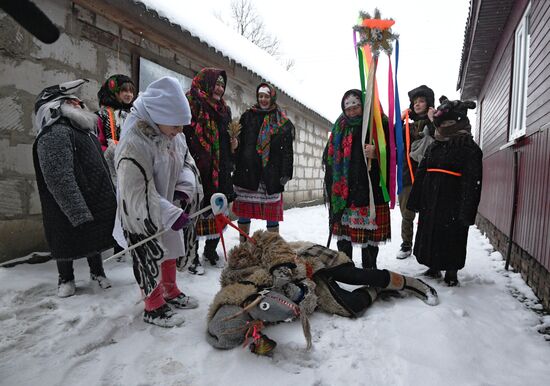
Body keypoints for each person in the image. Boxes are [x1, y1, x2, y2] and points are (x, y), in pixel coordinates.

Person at [206, 230, 438, 355]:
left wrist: (282, 269)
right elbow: (300, 305)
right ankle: (378, 289)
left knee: (353, 275)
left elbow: (270, 240)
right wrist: (301, 293)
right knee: (349, 307)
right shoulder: (250, 300)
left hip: (309, 258)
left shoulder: (242, 259)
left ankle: (409, 283)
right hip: (308, 281)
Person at [113, 76, 202, 327]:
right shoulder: (134, 141)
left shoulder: (173, 134)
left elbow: (186, 162)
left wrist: (184, 190)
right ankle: (152, 305)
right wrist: (170, 213)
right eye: (176, 125)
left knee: (171, 246)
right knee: (149, 251)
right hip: (140, 212)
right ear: (158, 116)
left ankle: (170, 290)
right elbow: (136, 191)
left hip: (169, 203)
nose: (180, 132)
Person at [32, 79, 116, 298]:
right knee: (64, 237)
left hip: (92, 195)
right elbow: (59, 177)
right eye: (74, 101)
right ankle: (65, 278)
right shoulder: (55, 133)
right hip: (67, 201)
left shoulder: (85, 133)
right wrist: (76, 208)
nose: (81, 104)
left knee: (93, 237)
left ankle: (97, 272)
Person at [407, 96, 482, 286]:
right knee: (429, 233)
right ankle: (432, 267)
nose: (446, 126)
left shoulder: (469, 148)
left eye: (450, 122)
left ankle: (451, 272)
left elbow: (473, 183)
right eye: (444, 122)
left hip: (454, 202)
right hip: (430, 200)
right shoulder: (434, 146)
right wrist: (415, 200)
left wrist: (467, 211)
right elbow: (422, 173)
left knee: (452, 236)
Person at [323, 89, 390, 270]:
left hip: (368, 187)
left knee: (368, 236)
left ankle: (369, 270)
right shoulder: (339, 126)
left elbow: (393, 152)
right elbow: (328, 158)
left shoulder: (376, 123)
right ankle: (346, 269)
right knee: (344, 236)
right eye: (348, 108)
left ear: (363, 105)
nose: (352, 112)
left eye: (356, 107)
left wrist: (378, 153)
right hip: (343, 190)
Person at [183, 68, 234, 274]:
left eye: (222, 85)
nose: (220, 89)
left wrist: (233, 144)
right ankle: (191, 254)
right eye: (216, 84)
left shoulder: (224, 109)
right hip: (197, 165)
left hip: (219, 166)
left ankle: (210, 250)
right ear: (206, 83)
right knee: (195, 208)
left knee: (218, 206)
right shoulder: (191, 103)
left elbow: (226, 136)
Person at [232, 82, 295, 241]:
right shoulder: (248, 116)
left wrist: (286, 172)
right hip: (248, 170)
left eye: (266, 96)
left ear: (272, 97)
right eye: (260, 96)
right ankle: (244, 244)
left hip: (271, 173)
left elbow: (287, 150)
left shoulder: (282, 121)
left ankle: (273, 247)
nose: (263, 99)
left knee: (271, 214)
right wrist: (235, 145)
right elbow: (240, 140)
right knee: (245, 212)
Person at [397, 85, 436, 259]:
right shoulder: (407, 125)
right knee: (407, 212)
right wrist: (399, 120)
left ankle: (425, 244)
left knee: (429, 212)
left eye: (421, 101)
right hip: (407, 174)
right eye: (415, 102)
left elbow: (442, 138)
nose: (417, 104)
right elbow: (392, 138)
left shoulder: (436, 122)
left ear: (428, 104)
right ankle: (406, 244)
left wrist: (434, 120)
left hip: (428, 175)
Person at [96, 74, 135, 151]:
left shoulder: (134, 115)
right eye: (124, 91)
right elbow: (97, 144)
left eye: (131, 91)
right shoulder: (102, 115)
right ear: (114, 92)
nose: (129, 95)